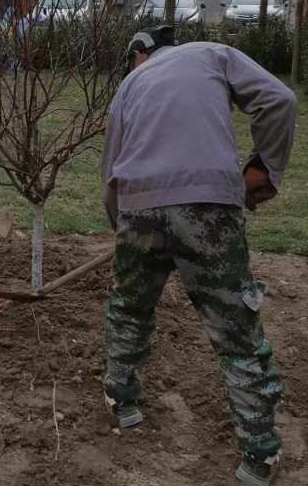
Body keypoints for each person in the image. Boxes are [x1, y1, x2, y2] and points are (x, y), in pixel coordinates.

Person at [100, 25, 296, 486]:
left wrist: (123, 228)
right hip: (208, 207)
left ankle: (122, 402)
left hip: (138, 207)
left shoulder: (130, 83)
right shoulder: (213, 54)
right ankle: (258, 456)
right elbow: (280, 101)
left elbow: (110, 169)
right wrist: (264, 168)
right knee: (236, 333)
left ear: (139, 54)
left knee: (129, 310)